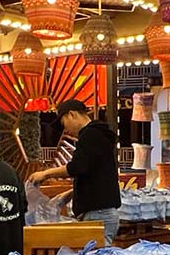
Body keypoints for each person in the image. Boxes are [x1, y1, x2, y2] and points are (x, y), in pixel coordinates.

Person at [28, 99, 121, 245]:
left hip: (98, 215)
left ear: (72, 114)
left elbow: (77, 167)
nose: (66, 130)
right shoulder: (98, 134)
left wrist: (46, 174)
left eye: (64, 123)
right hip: (101, 213)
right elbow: (92, 173)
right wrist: (72, 193)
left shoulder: (90, 134)